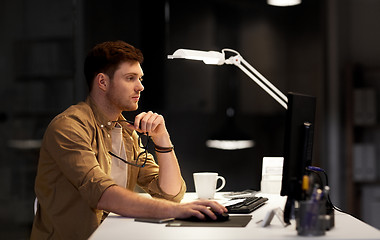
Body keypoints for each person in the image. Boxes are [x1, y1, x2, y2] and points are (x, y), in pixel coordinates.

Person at [30, 40, 227, 240]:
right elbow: (102, 194)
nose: (140, 87)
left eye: (140, 78)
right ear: (103, 82)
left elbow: (171, 194)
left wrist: (162, 139)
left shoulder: (125, 131)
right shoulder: (69, 127)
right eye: (130, 78)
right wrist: (176, 211)